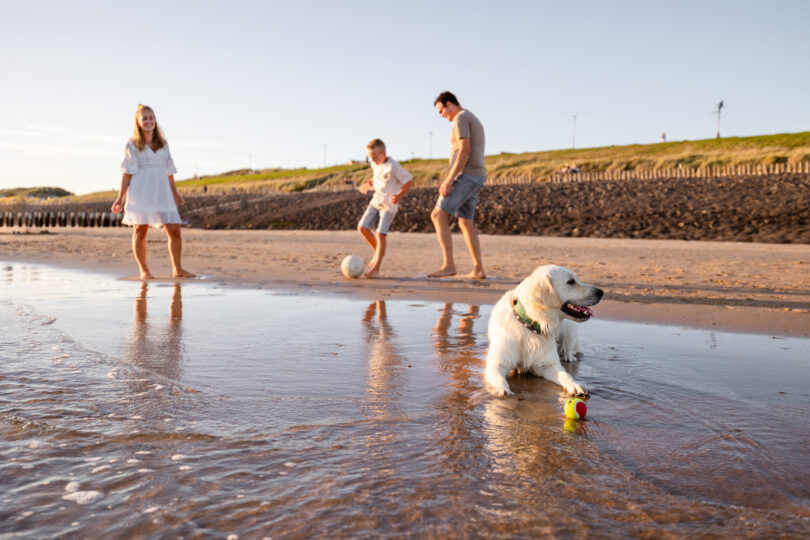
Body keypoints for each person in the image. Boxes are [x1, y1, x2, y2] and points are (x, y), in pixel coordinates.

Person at [111, 104, 194, 280]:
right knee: (140, 232)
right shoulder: (132, 143)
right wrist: (120, 198)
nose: (149, 121)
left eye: (151, 118)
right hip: (141, 190)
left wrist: (175, 194)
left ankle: (177, 269)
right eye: (145, 118)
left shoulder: (163, 143)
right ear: (138, 123)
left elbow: (169, 170)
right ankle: (144, 270)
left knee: (175, 230)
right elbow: (127, 172)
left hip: (162, 190)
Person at [430, 91, 487, 279]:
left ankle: (448, 265)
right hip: (475, 175)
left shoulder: (461, 118)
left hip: (467, 175)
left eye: (441, 111)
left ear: (449, 104)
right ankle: (478, 269)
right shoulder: (468, 116)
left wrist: (450, 179)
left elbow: (464, 150)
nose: (441, 115)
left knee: (438, 214)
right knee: (464, 221)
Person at [357, 138, 412, 278]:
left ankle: (376, 268)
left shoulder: (393, 166)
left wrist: (399, 196)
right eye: (371, 157)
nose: (373, 160)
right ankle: (378, 252)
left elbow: (408, 180)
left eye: (375, 157)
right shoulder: (374, 164)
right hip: (375, 201)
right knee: (362, 228)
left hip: (388, 206)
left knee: (381, 234)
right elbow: (376, 179)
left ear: (383, 153)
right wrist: (367, 185)